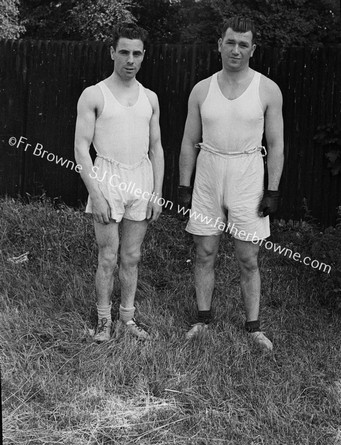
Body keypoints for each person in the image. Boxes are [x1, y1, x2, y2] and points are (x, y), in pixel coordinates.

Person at [178, 17, 284, 350]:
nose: (235, 50)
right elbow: (187, 141)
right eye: (230, 43)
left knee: (247, 257)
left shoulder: (267, 89)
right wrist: (184, 186)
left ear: (252, 49)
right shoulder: (201, 89)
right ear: (219, 45)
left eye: (242, 44)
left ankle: (253, 326)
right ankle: (203, 319)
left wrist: (273, 190)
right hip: (209, 171)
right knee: (205, 251)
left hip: (247, 172)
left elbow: (278, 144)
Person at [74, 23, 164, 342]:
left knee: (132, 256)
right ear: (112, 52)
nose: (130, 59)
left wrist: (157, 193)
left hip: (140, 178)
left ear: (143, 56)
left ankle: (127, 318)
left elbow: (156, 148)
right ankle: (103, 321)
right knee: (108, 256)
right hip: (106, 178)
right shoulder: (94, 95)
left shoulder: (150, 98)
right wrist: (95, 194)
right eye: (123, 52)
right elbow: (81, 148)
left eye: (136, 53)